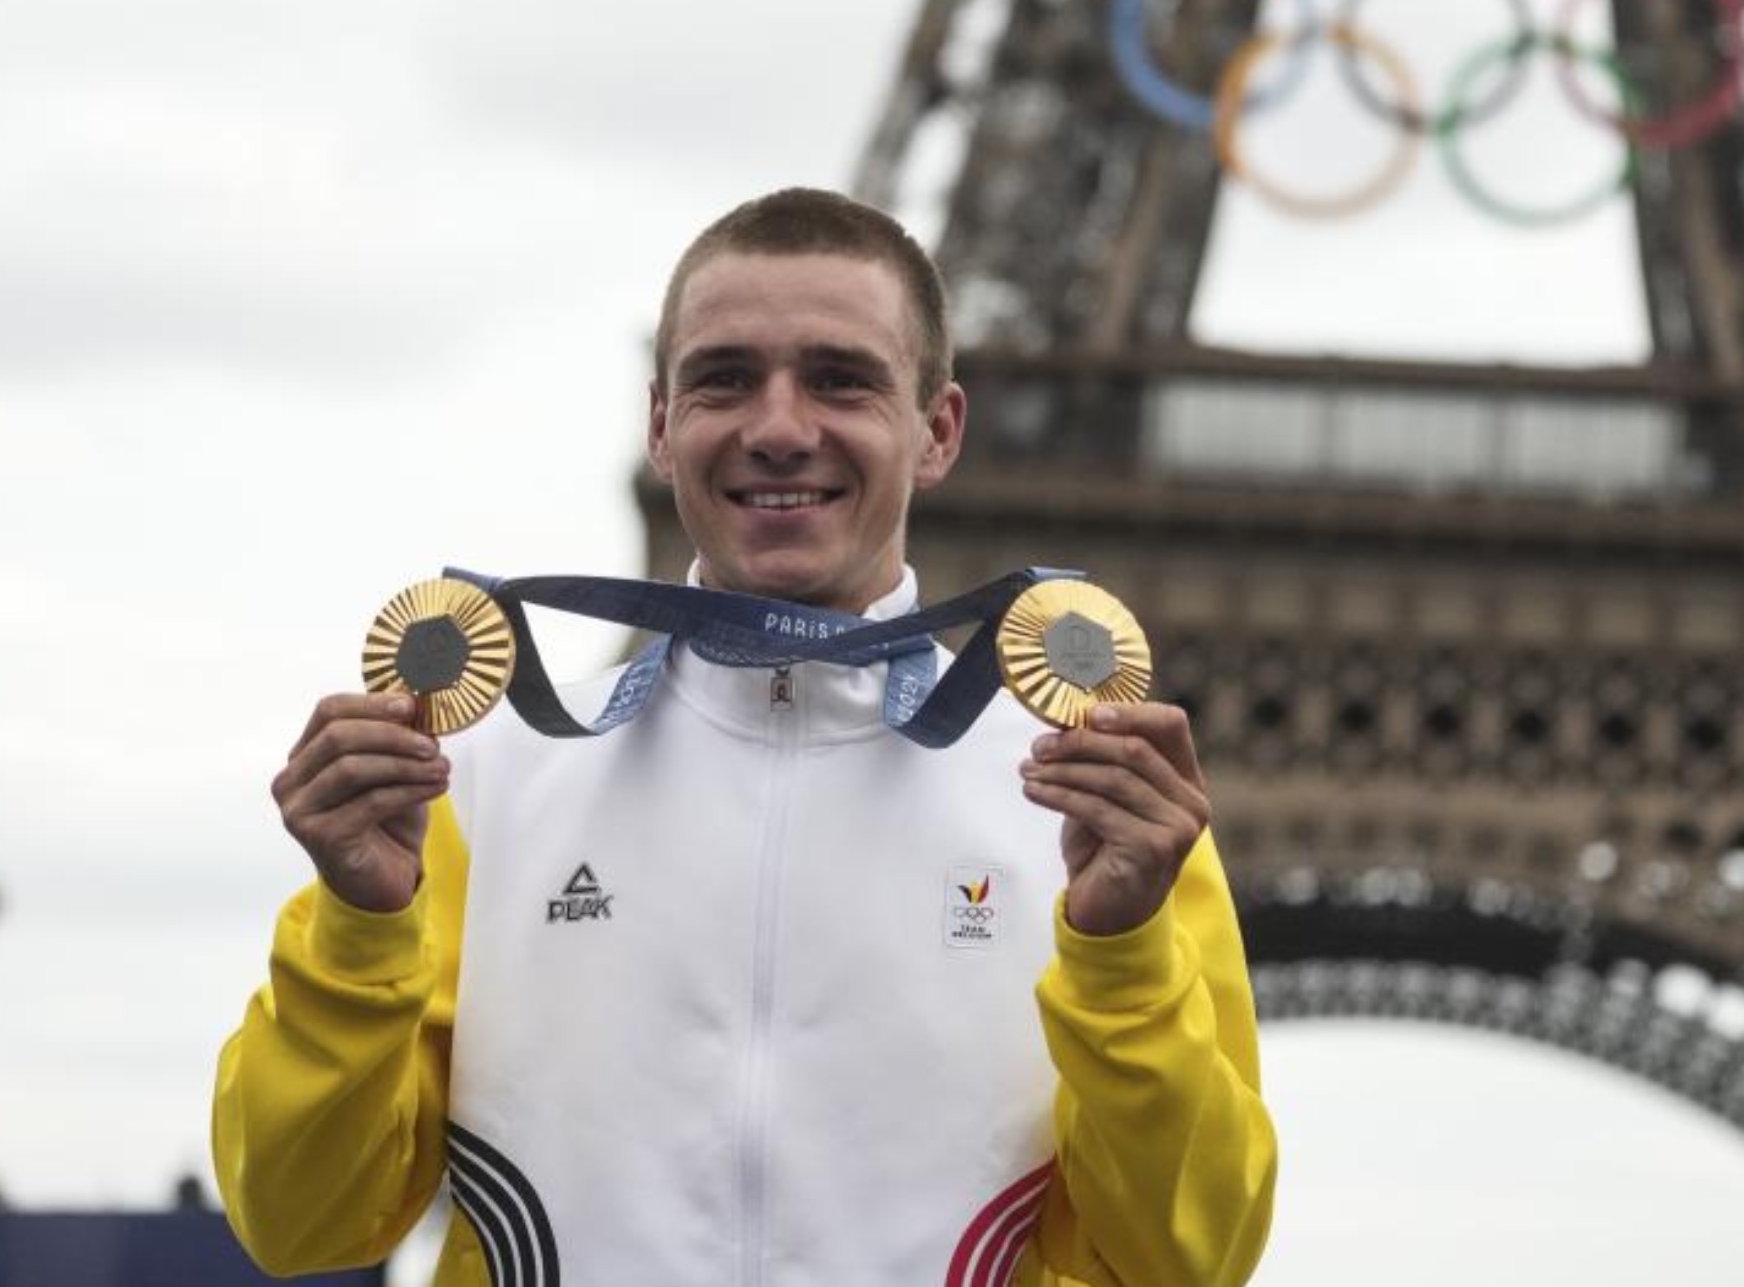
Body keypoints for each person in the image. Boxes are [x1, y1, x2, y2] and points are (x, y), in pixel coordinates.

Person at [213, 187, 1277, 1286]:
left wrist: (1122, 958)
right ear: (662, 427)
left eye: (840, 379)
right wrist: (355, 934)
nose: (778, 428)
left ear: (939, 430)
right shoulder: (475, 785)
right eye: (725, 378)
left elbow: (1187, 1262)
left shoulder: (1094, 805)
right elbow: (298, 1225)